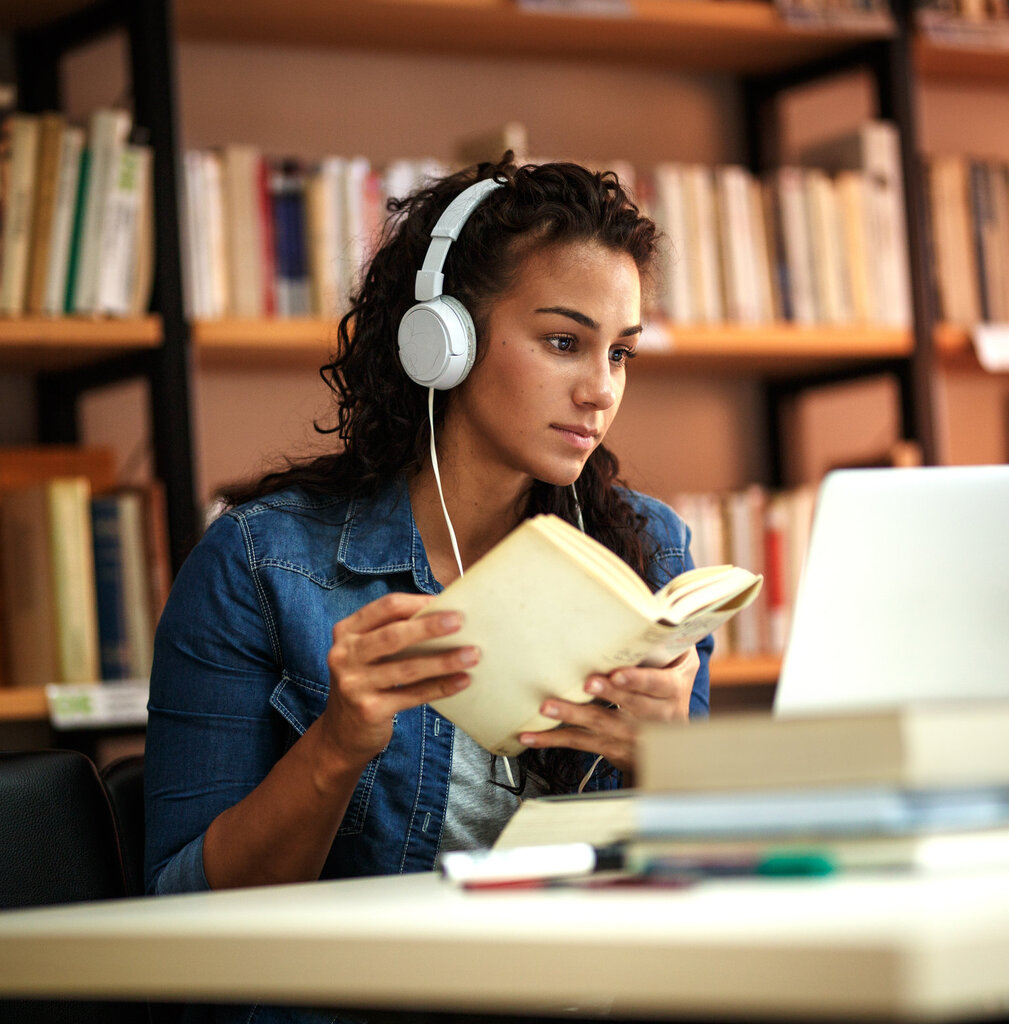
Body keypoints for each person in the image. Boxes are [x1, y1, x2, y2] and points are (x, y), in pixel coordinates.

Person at [144, 155, 712, 1021]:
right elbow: (182, 923)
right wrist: (337, 744)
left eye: (621, 351)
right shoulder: (261, 565)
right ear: (443, 339)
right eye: (564, 342)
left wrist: (672, 769)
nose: (601, 390)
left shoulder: (653, 556)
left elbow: (694, 901)